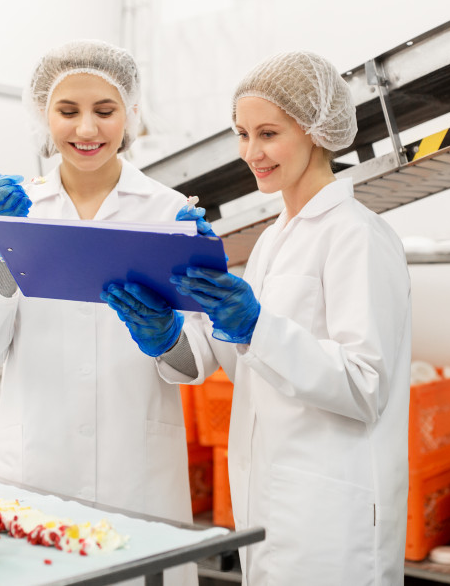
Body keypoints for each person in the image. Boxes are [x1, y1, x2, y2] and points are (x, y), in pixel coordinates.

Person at [103, 51, 412, 584]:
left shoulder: (357, 236)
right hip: (267, 504)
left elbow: (366, 384)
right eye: (242, 134)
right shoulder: (273, 240)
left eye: (267, 133)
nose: (251, 152)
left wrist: (256, 325)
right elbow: (238, 357)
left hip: (331, 520)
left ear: (316, 131)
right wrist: (170, 329)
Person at [0, 40, 196, 585]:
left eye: (105, 111)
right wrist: (2, 255)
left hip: (138, 476)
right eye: (68, 111)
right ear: (43, 117)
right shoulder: (9, 215)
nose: (87, 130)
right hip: (39, 467)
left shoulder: (167, 213)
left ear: (129, 114)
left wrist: (169, 335)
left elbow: (194, 365)